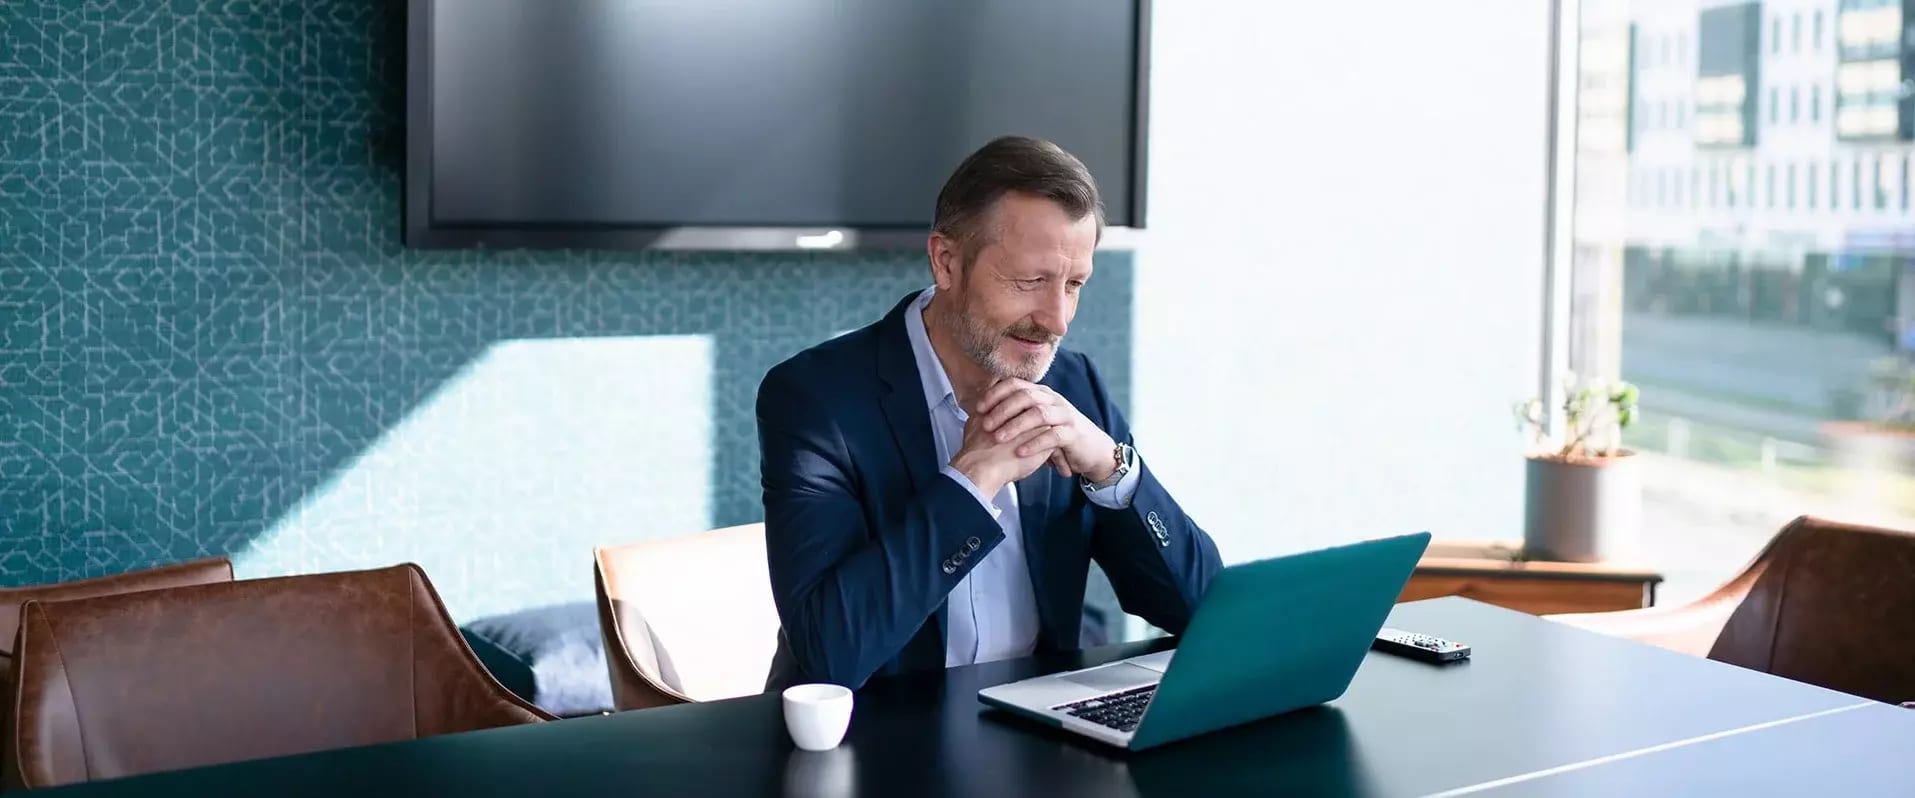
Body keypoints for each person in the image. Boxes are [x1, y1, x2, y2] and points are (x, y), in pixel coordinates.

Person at [757, 135, 1221, 690]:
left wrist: (1110, 468)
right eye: (1030, 281)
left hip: (1035, 722)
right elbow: (832, 651)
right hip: (877, 730)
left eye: (1074, 285)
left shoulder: (1074, 386)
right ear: (947, 262)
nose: (1056, 320)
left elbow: (1202, 609)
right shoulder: (816, 399)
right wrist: (974, 479)